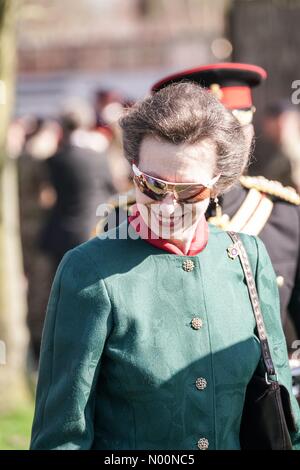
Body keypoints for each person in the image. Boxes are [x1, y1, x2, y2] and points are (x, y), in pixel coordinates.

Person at [30, 82, 300, 450]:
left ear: (219, 184)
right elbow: (62, 437)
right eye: (152, 186)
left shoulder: (249, 256)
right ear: (133, 170)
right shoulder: (87, 270)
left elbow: (283, 417)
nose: (168, 207)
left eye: (190, 191)